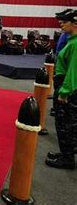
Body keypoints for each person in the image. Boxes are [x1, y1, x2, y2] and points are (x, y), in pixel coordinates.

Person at [45, 9, 77, 170]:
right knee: (65, 123)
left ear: (75, 23)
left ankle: (68, 158)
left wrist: (64, 93)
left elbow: (73, 72)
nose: (61, 23)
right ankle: (66, 152)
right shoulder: (72, 40)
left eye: (65, 21)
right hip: (64, 85)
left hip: (68, 89)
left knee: (66, 124)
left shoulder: (75, 44)